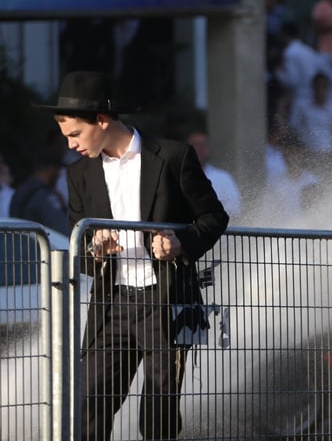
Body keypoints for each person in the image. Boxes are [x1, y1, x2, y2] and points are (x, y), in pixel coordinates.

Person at [37, 71, 228, 441]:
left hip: (166, 301)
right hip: (112, 305)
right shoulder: (79, 174)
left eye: (75, 134)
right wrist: (96, 249)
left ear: (103, 120)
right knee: (89, 402)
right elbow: (81, 248)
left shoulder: (173, 156)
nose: (71, 145)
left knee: (158, 414)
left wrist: (180, 243)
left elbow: (214, 218)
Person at [7, 148, 71, 235]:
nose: (59, 173)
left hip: (19, 244)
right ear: (51, 169)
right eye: (58, 169)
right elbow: (61, 228)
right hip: (43, 246)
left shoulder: (20, 191)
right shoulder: (44, 195)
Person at [186, 130, 243, 222]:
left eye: (203, 144)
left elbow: (235, 208)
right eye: (195, 144)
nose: (200, 148)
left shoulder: (223, 177)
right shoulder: (178, 176)